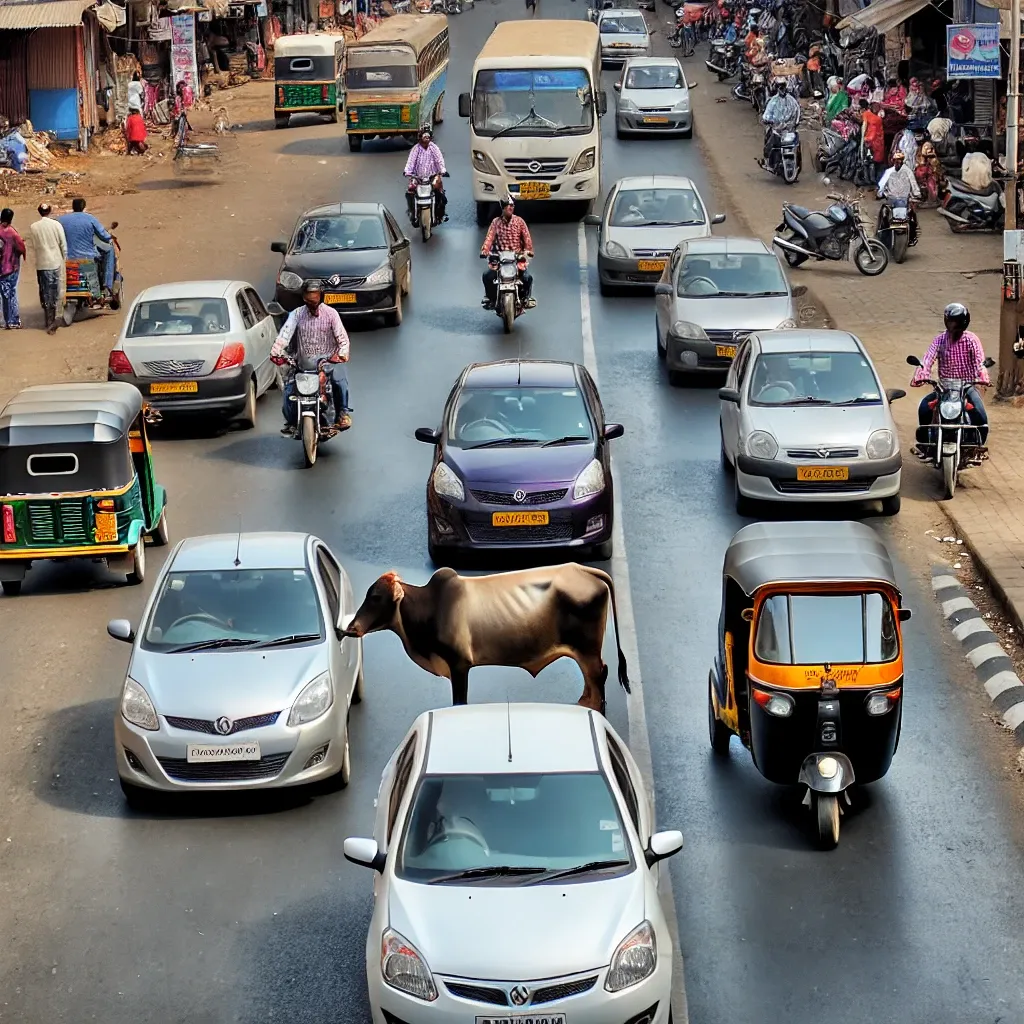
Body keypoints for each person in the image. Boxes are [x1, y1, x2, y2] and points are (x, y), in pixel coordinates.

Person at [271, 280, 352, 433]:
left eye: (315, 297)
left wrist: (341, 354)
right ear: (303, 298)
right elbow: (284, 335)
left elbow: (343, 339)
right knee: (289, 389)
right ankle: (291, 421)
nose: (312, 301)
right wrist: (276, 352)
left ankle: (342, 414)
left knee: (339, 381)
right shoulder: (296, 314)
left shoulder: (331, 314)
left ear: (321, 296)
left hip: (328, 363)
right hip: (302, 364)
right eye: (309, 297)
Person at [912, 303, 990, 447]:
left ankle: (978, 447)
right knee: (924, 409)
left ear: (963, 323)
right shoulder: (940, 340)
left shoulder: (971, 340)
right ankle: (926, 444)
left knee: (980, 415)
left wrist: (982, 375)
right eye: (949, 321)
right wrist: (921, 374)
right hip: (944, 387)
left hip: (967, 387)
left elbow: (980, 360)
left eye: (955, 322)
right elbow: (928, 358)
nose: (951, 325)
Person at [480, 196, 536, 310]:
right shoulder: (496, 222)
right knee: (487, 276)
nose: (511, 208)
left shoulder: (519, 222)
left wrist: (528, 251)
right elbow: (489, 238)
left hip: (516, 258)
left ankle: (526, 299)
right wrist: (485, 251)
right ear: (503, 208)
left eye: (512, 206)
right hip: (500, 258)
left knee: (527, 278)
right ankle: (491, 299)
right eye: (508, 206)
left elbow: (527, 238)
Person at [57, 197, 114, 298]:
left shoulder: (61, 220)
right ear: (84, 207)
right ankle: (107, 285)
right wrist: (110, 236)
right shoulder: (90, 218)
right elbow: (103, 235)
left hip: (66, 258)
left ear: (73, 207)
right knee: (110, 250)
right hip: (87, 259)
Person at [28, 203, 66, 334]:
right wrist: (64, 260)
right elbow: (63, 245)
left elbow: (33, 246)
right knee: (55, 291)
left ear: (39, 212)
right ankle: (54, 321)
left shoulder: (33, 227)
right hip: (55, 263)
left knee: (44, 291)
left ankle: (48, 320)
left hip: (41, 264)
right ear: (50, 211)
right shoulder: (56, 225)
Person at [402, 125, 447, 223]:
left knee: (440, 193)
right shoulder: (416, 149)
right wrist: (407, 171)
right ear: (420, 137)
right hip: (418, 178)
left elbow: (439, 160)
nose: (426, 138)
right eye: (424, 136)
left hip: (432, 176)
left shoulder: (434, 148)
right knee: (410, 191)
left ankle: (440, 214)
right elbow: (410, 162)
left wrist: (442, 170)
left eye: (428, 136)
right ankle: (412, 213)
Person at [876, 150, 920, 244]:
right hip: (894, 200)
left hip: (902, 200)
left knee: (912, 216)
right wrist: (880, 193)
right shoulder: (891, 172)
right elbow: (882, 185)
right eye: (896, 160)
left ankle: (912, 236)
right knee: (885, 216)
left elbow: (913, 184)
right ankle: (884, 240)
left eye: (899, 160)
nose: (898, 162)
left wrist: (916, 194)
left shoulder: (907, 171)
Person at [759, 80, 800, 167]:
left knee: (797, 144)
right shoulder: (773, 100)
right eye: (780, 87)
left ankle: (798, 165)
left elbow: (798, 112)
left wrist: (796, 122)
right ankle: (768, 160)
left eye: (783, 87)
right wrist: (767, 120)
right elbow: (767, 113)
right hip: (776, 128)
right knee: (769, 141)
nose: (782, 89)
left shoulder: (791, 100)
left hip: (789, 128)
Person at [0, 208, 26, 329]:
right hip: (11, 268)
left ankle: (2, 321)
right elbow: (21, 247)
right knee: (11, 293)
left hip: (1, 269)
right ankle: (13, 321)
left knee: (2, 295)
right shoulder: (12, 232)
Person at [858, 98, 885, 183]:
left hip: (871, 142)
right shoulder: (877, 119)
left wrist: (865, 140)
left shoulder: (868, 115)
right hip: (876, 143)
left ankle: (869, 179)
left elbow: (869, 131)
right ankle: (871, 178)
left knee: (868, 161)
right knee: (872, 161)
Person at [915, 140, 947, 205]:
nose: (928, 150)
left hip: (932, 176)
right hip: (923, 175)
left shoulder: (933, 158)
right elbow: (919, 170)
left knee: (932, 184)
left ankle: (933, 198)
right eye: (926, 148)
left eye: (929, 148)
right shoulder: (920, 156)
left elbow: (936, 168)